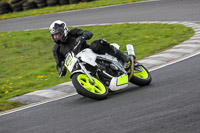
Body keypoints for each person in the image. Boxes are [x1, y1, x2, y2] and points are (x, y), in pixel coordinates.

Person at [49, 20, 130, 77]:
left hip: (90, 54)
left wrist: (82, 37)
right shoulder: (56, 49)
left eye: (57, 34)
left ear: (63, 30)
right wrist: (61, 69)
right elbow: (59, 65)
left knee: (96, 44)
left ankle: (122, 56)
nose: (56, 37)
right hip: (79, 65)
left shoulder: (73, 33)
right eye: (54, 35)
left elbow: (88, 33)